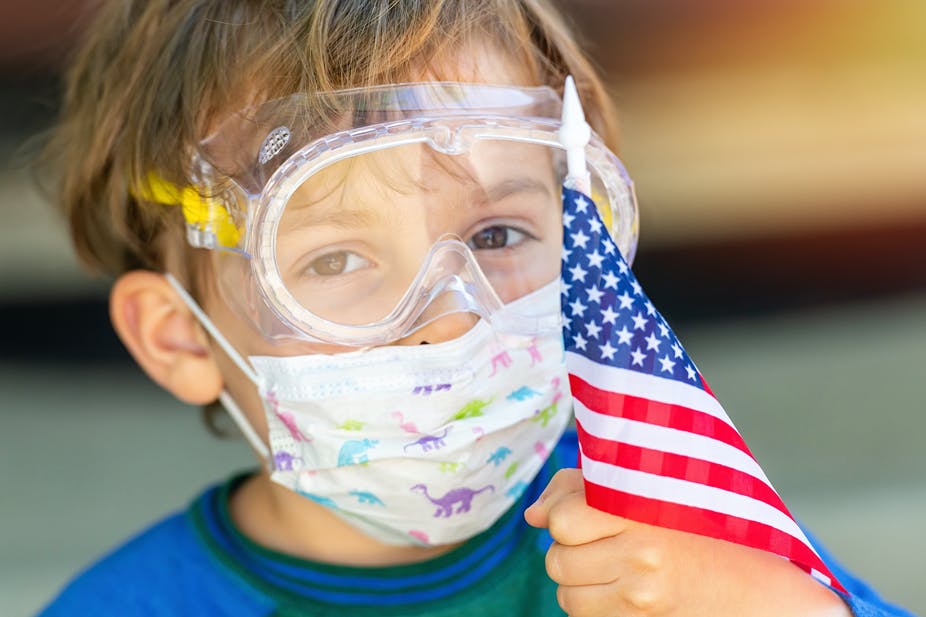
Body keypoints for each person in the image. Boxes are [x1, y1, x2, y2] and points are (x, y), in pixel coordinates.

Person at [38, 1, 914, 616]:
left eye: (497, 235)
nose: (453, 318)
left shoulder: (660, 528)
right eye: (335, 258)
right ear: (179, 336)